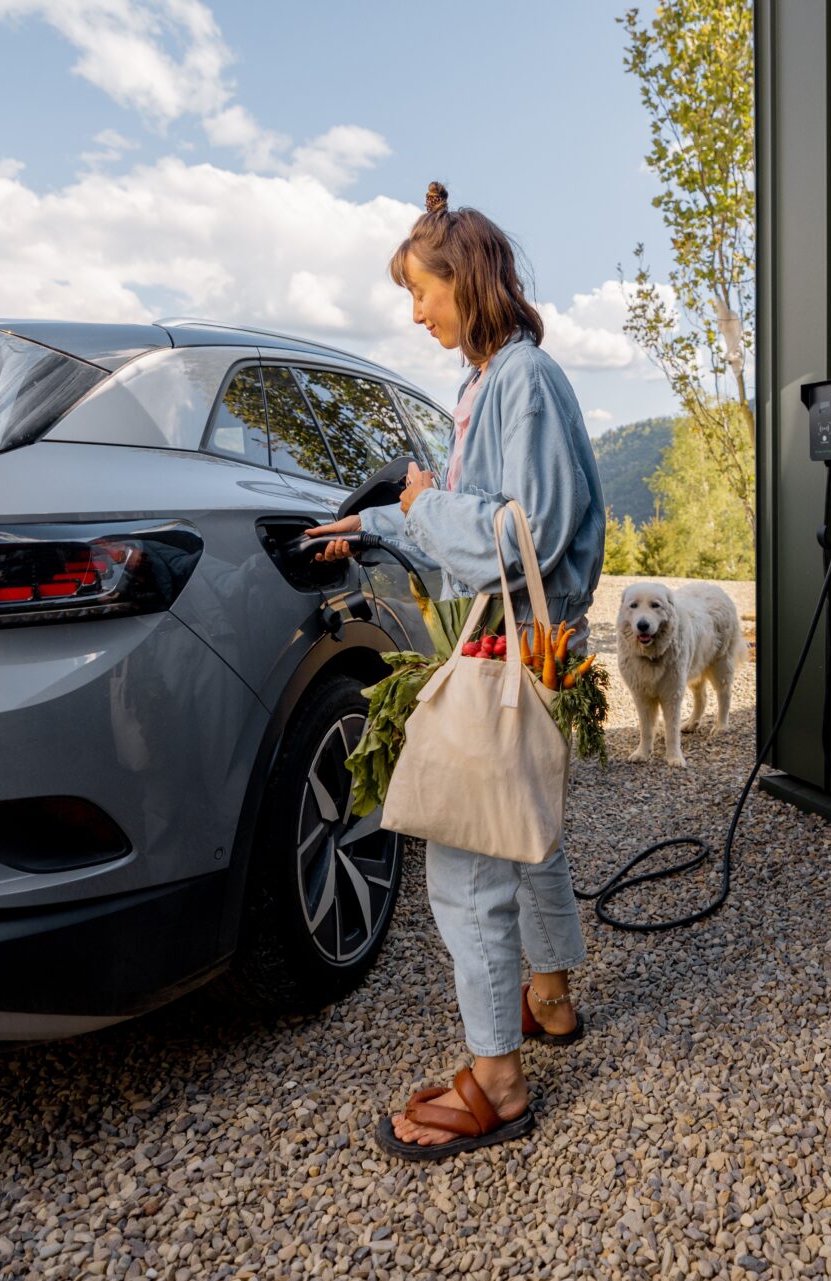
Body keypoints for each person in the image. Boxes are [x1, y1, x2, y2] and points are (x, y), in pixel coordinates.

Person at [303, 181, 605, 1161]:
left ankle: (500, 1081)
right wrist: (390, 518)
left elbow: (527, 534)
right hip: (530, 639)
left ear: (463, 280)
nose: (415, 310)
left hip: (515, 640)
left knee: (469, 859)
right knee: (526, 824)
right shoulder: (489, 384)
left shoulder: (523, 380)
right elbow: (474, 528)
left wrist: (423, 506)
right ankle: (548, 995)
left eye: (420, 290)